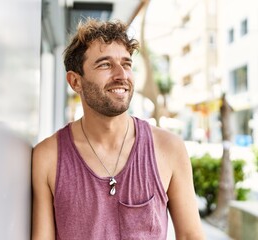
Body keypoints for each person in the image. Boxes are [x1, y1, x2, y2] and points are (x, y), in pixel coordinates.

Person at [32, 18, 205, 240]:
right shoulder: (48, 157)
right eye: (105, 64)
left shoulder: (169, 149)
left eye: (126, 64)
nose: (121, 75)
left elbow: (191, 235)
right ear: (75, 82)